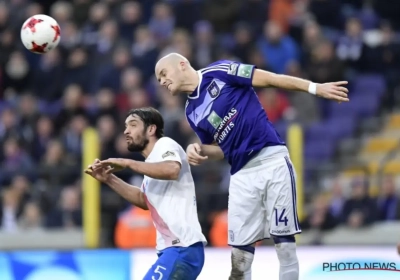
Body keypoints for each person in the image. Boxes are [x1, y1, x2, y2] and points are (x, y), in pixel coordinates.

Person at [154, 53, 349, 280]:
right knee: (239, 257)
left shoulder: (220, 71)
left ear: (182, 64)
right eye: (159, 79)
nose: (161, 82)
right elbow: (220, 149)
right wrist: (199, 150)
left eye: (163, 74)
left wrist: (315, 88)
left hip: (272, 160)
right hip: (241, 175)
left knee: (284, 245)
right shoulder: (191, 111)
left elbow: (269, 79)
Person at [85, 107, 207, 280]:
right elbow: (143, 200)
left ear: (151, 129)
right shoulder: (151, 164)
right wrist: (108, 179)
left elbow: (172, 169)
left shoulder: (165, 145)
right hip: (174, 250)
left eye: (133, 125)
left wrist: (127, 163)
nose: (126, 130)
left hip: (182, 248)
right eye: (126, 126)